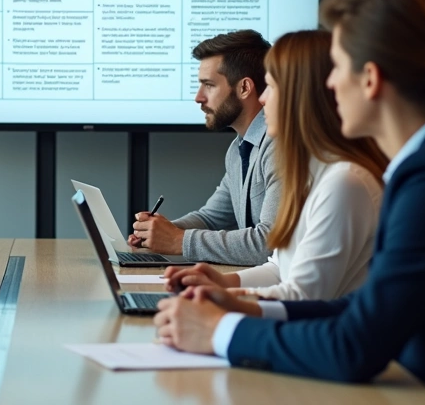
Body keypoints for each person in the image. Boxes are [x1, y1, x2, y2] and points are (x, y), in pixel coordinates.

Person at [154, 0, 425, 404]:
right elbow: (364, 309)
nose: (329, 86)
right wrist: (246, 307)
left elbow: (354, 347)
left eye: (337, 68)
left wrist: (220, 331)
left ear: (370, 79)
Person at [165, 30, 387, 301]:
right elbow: (280, 267)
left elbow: (303, 297)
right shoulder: (311, 169)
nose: (262, 98)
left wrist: (225, 303)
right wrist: (222, 283)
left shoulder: (344, 181)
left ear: (300, 95)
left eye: (271, 86)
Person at [130, 30, 280, 265]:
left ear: (244, 88)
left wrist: (178, 240)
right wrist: (159, 233)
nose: (198, 97)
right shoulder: (238, 150)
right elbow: (211, 218)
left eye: (209, 85)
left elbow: (269, 245)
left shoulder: (279, 146)